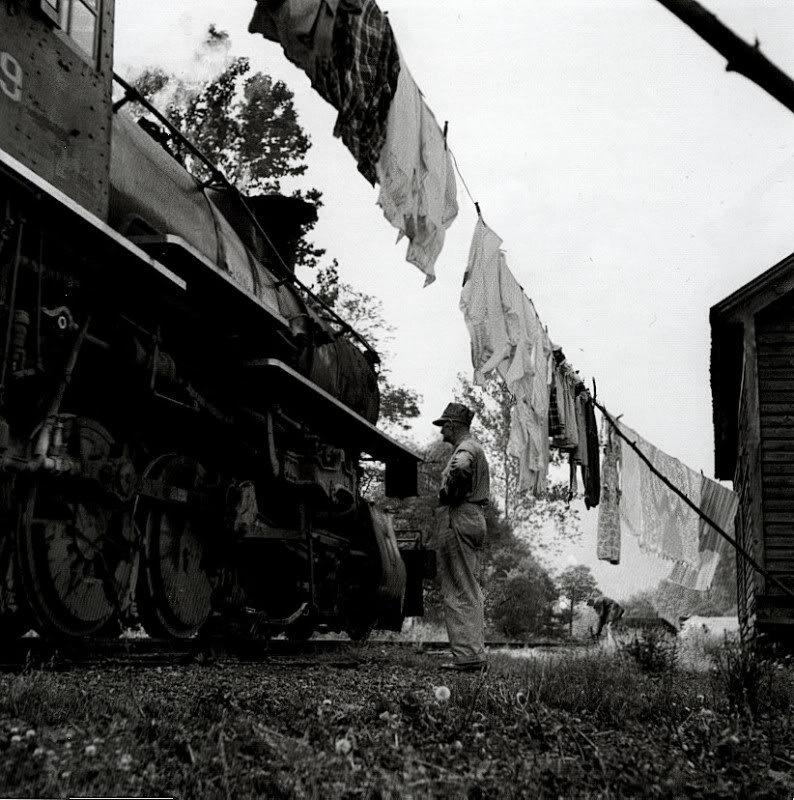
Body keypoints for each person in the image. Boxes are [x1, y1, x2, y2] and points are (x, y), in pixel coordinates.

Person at [432, 402, 490, 672]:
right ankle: (472, 654)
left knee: (458, 588)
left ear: (454, 426)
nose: (442, 431)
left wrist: (450, 493)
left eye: (444, 425)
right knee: (468, 586)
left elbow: (461, 467)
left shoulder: (466, 449)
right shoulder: (474, 447)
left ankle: (468, 657)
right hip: (473, 517)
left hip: (461, 514)